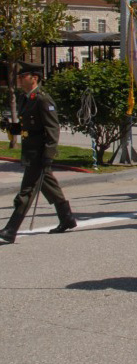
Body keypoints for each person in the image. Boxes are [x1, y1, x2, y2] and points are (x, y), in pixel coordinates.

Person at [0, 61, 76, 243]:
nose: (19, 79)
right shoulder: (26, 98)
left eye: (22, 76)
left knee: (26, 191)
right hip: (31, 151)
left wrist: (48, 155)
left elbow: (52, 129)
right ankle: (66, 218)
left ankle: (11, 230)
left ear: (34, 78)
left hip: (39, 153)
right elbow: (28, 127)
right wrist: (9, 126)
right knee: (48, 185)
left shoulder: (43, 99)